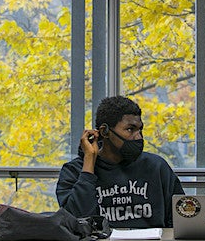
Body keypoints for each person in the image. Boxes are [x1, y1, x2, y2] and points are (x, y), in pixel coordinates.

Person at [56, 96, 184, 228]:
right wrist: (89, 162)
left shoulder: (157, 166)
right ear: (104, 131)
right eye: (130, 129)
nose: (138, 137)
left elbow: (181, 219)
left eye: (140, 130)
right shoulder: (74, 171)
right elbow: (75, 221)